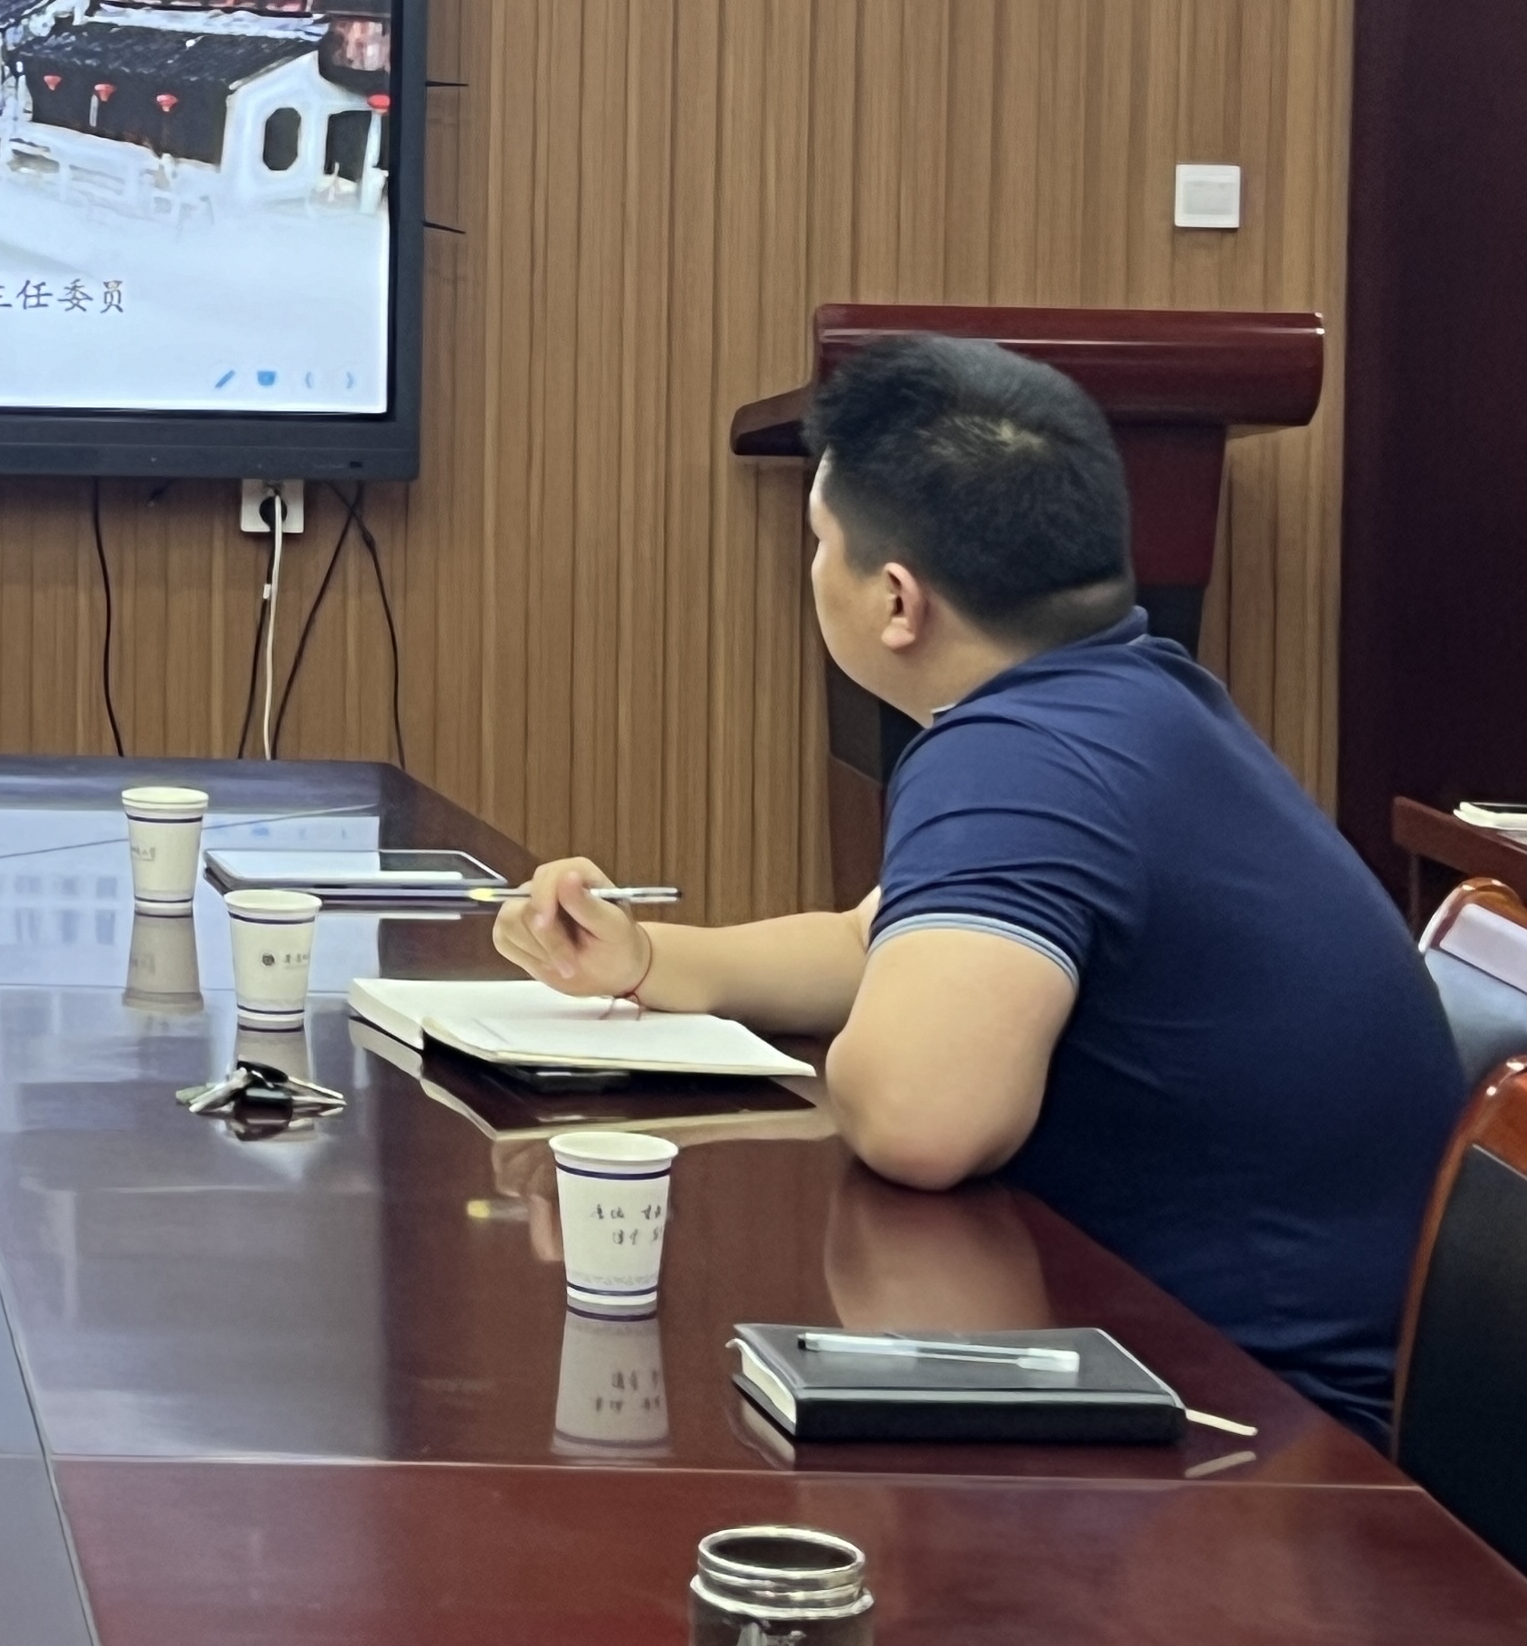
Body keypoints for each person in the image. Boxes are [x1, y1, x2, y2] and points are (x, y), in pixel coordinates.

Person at [495, 332, 1466, 1438]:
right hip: (1254, 1387)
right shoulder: (1131, 699)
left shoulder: (1018, 755)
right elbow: (877, 944)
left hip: (1277, 1448)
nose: (813, 572)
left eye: (820, 543)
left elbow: (923, 1121)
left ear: (896, 601)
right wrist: (649, 960)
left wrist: (842, 1072)